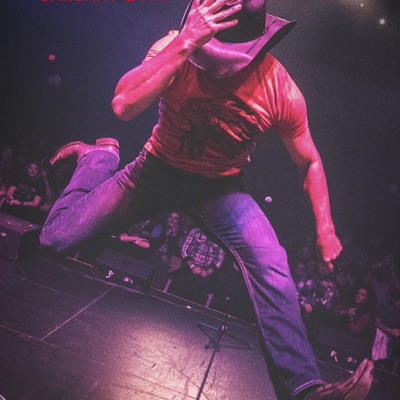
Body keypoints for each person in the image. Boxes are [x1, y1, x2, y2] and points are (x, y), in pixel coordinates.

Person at [39, 1, 374, 399]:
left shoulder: (279, 87)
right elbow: (123, 105)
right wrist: (186, 42)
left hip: (220, 188)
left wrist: (326, 229)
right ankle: (99, 158)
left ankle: (304, 389)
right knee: (55, 239)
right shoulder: (175, 46)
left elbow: (310, 161)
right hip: (155, 171)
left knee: (271, 261)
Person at [170, 226, 225, 303]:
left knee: (197, 300)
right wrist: (192, 266)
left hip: (205, 273)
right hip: (189, 268)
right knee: (178, 296)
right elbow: (184, 249)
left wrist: (208, 271)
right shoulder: (196, 231)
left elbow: (220, 259)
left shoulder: (221, 237)